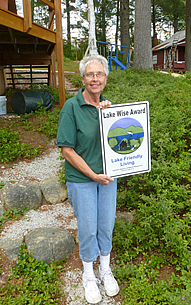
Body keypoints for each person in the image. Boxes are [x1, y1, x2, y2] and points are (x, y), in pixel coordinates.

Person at [57, 54, 119, 304]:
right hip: (82, 178)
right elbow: (67, 149)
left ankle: (105, 268)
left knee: (105, 224)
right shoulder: (71, 107)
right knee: (88, 228)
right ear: (83, 79)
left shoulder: (108, 108)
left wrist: (111, 115)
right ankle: (88, 274)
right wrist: (92, 174)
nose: (95, 78)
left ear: (105, 78)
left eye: (100, 74)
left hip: (108, 177)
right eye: (90, 74)